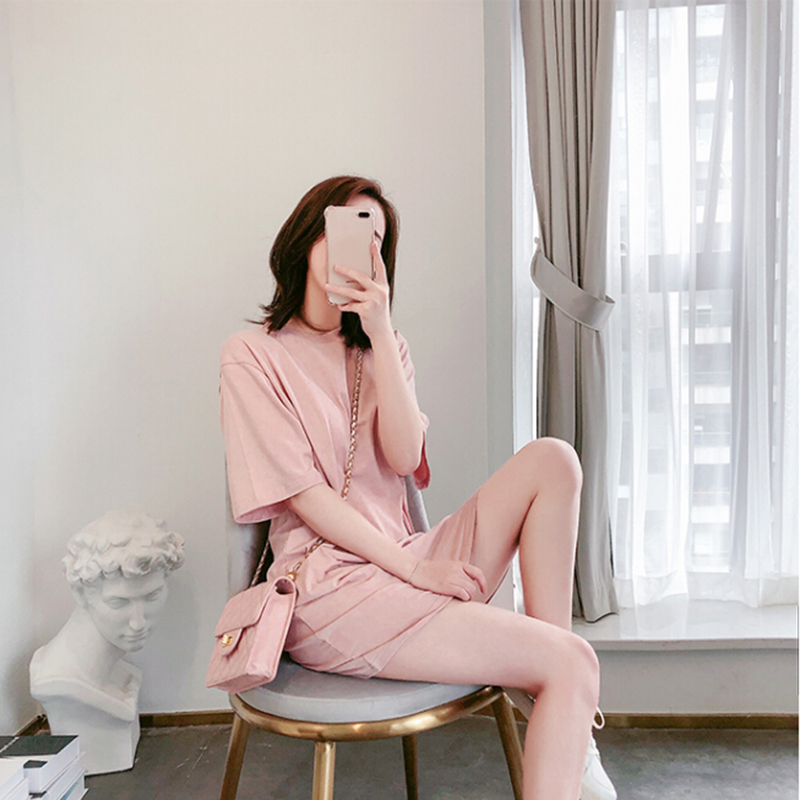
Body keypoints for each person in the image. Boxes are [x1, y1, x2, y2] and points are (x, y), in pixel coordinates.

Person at [219, 175, 617, 800]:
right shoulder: (251, 355)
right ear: (307, 235)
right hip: (331, 588)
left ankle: (560, 708)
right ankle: (561, 698)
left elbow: (403, 457)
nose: (361, 248)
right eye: (347, 228)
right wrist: (413, 570)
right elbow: (306, 498)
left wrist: (379, 334)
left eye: (375, 241)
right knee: (573, 661)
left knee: (555, 460)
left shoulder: (387, 348)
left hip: (409, 558)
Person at [30, 511, 185, 774]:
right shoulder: (59, 681)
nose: (138, 622)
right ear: (81, 594)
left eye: (152, 596)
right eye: (118, 602)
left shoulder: (115, 671)